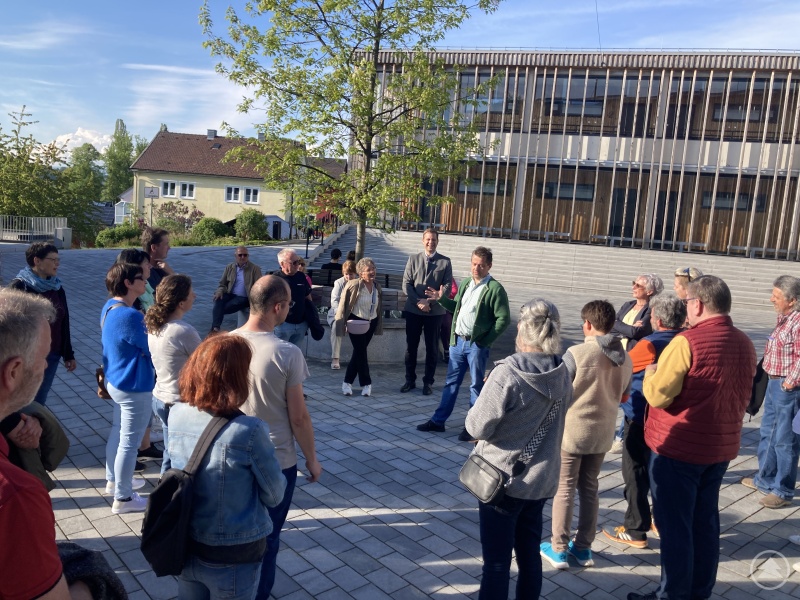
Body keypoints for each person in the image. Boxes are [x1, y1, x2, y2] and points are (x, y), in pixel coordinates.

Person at [629, 276, 756, 600]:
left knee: (675, 529)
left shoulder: (686, 343)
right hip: (720, 447)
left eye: (687, 302)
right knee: (705, 523)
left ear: (698, 304)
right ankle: (700, 590)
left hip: (679, 449)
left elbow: (658, 396)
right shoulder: (745, 341)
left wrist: (654, 371)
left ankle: (672, 593)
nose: (686, 308)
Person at [465, 299, 572, 600]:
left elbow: (476, 427)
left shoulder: (507, 373)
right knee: (530, 558)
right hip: (540, 481)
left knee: (497, 565)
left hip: (503, 483)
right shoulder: (563, 370)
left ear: (522, 330)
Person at [168, 333, 287, 600]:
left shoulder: (176, 413)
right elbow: (275, 495)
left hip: (185, 542)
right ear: (236, 377)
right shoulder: (250, 430)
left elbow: (170, 471)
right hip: (233, 553)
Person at [0, 288, 95, 600]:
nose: (44, 366)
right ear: (13, 371)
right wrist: (90, 585)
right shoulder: (15, 494)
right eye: (43, 357)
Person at [233, 275, 322, 598]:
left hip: (231, 454)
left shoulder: (227, 343)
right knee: (267, 540)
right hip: (276, 459)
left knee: (236, 534)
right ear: (278, 307)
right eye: (289, 304)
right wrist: (312, 459)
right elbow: (299, 417)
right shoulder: (286, 354)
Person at [540, 300, 632, 570]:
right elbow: (625, 395)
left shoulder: (577, 353)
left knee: (565, 488)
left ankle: (558, 549)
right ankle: (583, 549)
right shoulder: (626, 357)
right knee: (590, 488)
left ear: (589, 325)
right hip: (602, 432)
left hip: (573, 432)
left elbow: (558, 391)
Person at [603, 294, 685, 549]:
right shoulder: (686, 342)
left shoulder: (649, 345)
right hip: (671, 418)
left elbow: (620, 368)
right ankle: (659, 520)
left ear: (657, 319)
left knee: (635, 472)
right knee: (660, 471)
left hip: (641, 416)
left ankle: (635, 528)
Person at [417, 246, 510, 441]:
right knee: (451, 383)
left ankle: (473, 429)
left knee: (475, 386)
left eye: (481, 265)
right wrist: (442, 300)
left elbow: (503, 319)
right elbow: (456, 306)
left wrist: (485, 340)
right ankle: (438, 421)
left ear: (489, 266)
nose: (476, 268)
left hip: (476, 346)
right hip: (457, 342)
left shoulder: (495, 289)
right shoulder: (467, 283)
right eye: (474, 264)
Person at [101, 263, 155, 514]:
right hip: (133, 385)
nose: (145, 281)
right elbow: (150, 347)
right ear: (127, 283)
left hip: (116, 381)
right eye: (140, 278)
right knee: (129, 443)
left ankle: (114, 481)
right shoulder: (130, 315)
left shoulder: (110, 307)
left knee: (119, 432)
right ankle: (123, 498)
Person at [742, 275, 800, 509]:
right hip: (774, 383)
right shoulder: (784, 318)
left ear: (792, 300)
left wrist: (790, 383)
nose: (771, 299)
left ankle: (783, 489)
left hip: (789, 387)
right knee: (768, 432)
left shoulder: (798, 322)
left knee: (785, 440)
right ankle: (765, 480)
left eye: (776, 297)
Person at [9, 242, 77, 406]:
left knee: (39, 402)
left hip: (51, 354)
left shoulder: (57, 287)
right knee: (21, 402)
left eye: (58, 259)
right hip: (26, 357)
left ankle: (35, 429)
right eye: (52, 259)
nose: (57, 264)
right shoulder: (19, 287)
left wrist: (68, 354)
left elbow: (64, 320)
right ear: (37, 261)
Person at [145, 274, 201, 473]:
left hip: (161, 397)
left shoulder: (155, 326)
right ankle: (174, 497)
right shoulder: (183, 331)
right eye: (190, 293)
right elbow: (205, 366)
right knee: (183, 457)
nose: (195, 296)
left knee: (171, 452)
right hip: (180, 402)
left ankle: (164, 492)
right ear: (180, 302)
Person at [609, 273, 663, 453]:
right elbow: (613, 324)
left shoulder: (651, 309)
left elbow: (637, 333)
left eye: (638, 285)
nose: (633, 287)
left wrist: (623, 327)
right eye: (633, 283)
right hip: (617, 355)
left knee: (628, 397)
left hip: (635, 358)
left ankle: (620, 438)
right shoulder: (628, 305)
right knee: (613, 394)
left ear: (650, 291)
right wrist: (626, 328)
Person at [400, 228, 452, 396]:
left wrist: (431, 300)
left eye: (434, 240)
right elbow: (406, 284)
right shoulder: (413, 259)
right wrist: (419, 302)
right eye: (428, 239)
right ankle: (410, 380)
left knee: (432, 348)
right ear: (423, 241)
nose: (431, 242)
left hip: (434, 311)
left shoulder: (445, 262)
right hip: (414, 310)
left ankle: (428, 382)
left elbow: (447, 286)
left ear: (438, 241)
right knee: (411, 347)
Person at [334, 258, 383, 397]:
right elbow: (343, 306)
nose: (372, 272)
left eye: (373, 269)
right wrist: (341, 323)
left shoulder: (376, 286)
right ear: (361, 273)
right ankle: (366, 383)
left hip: (371, 322)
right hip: (356, 322)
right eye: (368, 270)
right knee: (361, 352)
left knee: (358, 353)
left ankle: (347, 382)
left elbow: (379, 306)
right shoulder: (354, 285)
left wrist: (377, 322)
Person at [210, 246, 262, 333]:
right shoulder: (230, 267)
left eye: (245, 255)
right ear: (235, 256)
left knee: (222, 309)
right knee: (218, 300)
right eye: (240, 255)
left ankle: (214, 330)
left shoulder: (255, 269)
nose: (242, 257)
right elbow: (222, 283)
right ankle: (216, 328)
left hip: (244, 297)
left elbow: (259, 286)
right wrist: (219, 292)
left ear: (248, 256)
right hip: (230, 294)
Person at [273, 248, 312, 346]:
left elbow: (308, 296)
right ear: (282, 264)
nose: (297, 265)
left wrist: (311, 315)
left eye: (298, 262)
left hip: (301, 324)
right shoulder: (275, 279)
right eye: (293, 262)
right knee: (281, 355)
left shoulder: (301, 276)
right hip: (283, 325)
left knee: (295, 355)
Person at [327, 260, 358, 370]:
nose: (349, 277)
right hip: (338, 313)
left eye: (351, 274)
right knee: (337, 325)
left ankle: (359, 357)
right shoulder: (339, 283)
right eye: (346, 274)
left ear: (356, 273)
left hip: (355, 313)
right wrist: (343, 317)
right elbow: (334, 302)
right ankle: (335, 358)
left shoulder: (359, 283)